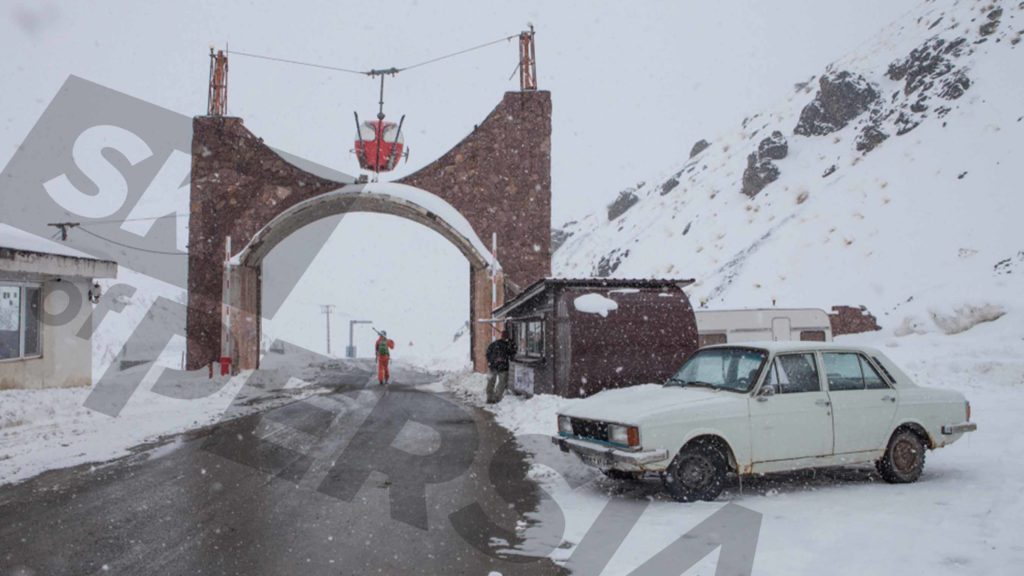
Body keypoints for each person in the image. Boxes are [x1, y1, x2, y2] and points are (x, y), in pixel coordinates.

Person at [485, 329, 517, 403]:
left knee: (492, 382)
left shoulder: (495, 344)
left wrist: (491, 361)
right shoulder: (508, 344)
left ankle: (490, 398)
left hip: (495, 366)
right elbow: (513, 352)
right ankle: (495, 398)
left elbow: (487, 353)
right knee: (501, 383)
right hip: (502, 367)